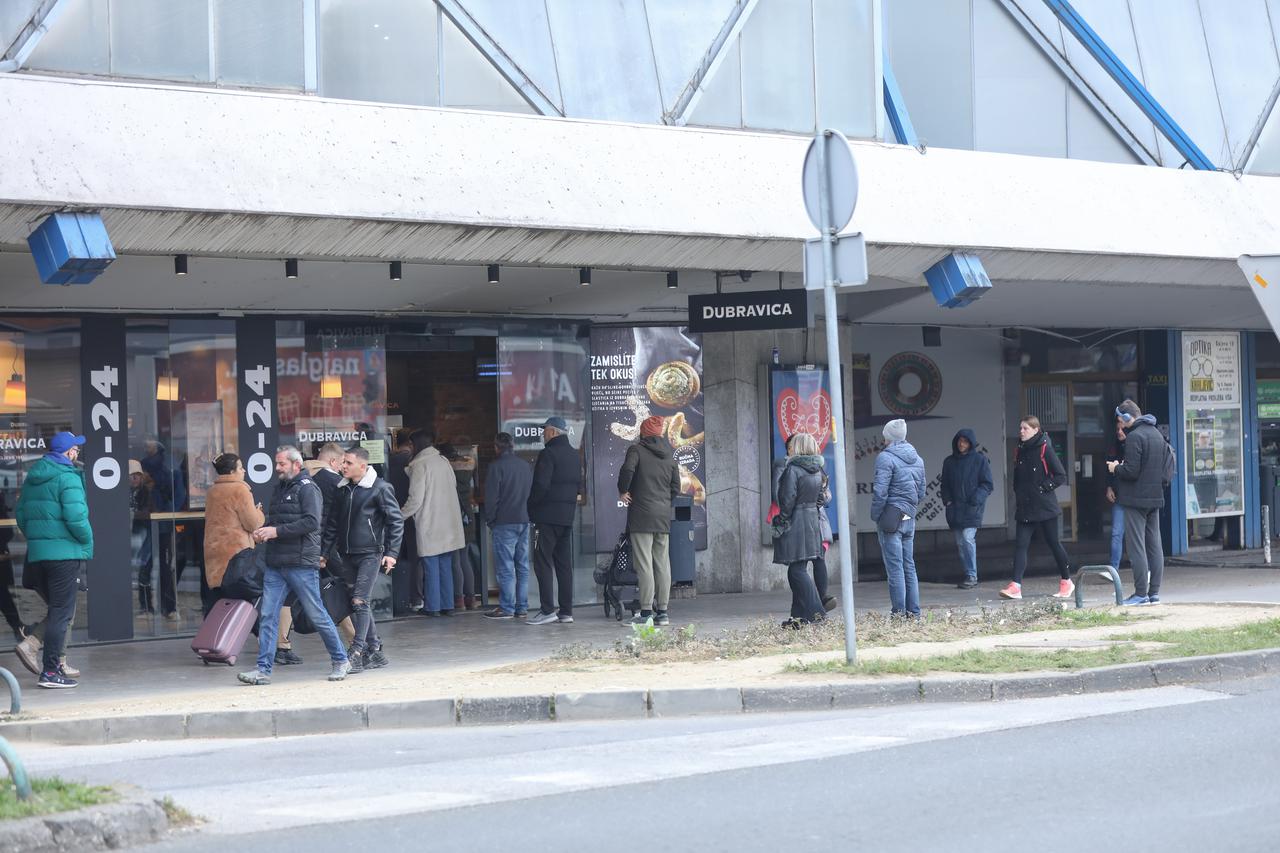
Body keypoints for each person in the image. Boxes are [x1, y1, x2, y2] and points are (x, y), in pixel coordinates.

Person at [237, 446, 350, 685]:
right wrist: (263, 531)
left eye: (281, 464)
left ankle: (341, 660)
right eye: (277, 463)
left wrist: (275, 531)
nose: (277, 468)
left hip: (300, 563)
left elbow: (311, 522)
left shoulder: (309, 489)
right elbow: (278, 521)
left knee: (317, 614)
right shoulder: (280, 489)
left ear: (296, 465)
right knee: (267, 616)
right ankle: (263, 670)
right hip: (276, 562)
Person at [14, 431, 91, 688]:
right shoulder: (68, 477)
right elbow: (77, 518)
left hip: (39, 555)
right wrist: (86, 541)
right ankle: (50, 671)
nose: (78, 452)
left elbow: (22, 516)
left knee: (59, 610)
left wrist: (38, 539)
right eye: (76, 449)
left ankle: (44, 653)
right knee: (63, 612)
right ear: (68, 452)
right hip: (64, 555)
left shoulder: (34, 476)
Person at [321, 447, 403, 672]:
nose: (343, 465)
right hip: (346, 553)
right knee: (355, 602)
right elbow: (332, 525)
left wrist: (392, 553)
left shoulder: (380, 489)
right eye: (343, 462)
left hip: (371, 553)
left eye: (348, 462)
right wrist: (324, 553)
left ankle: (357, 651)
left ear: (362, 466)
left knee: (359, 601)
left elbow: (396, 521)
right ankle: (375, 650)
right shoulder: (342, 489)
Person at [1000, 416, 1074, 600]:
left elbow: (1060, 475)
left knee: (1053, 543)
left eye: (1025, 428)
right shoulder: (1020, 450)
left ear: (1035, 429)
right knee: (1021, 545)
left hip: (1045, 506)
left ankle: (1067, 581)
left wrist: (1043, 488)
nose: (1021, 431)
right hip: (1025, 507)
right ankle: (1015, 585)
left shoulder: (1044, 448)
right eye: (1020, 428)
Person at [617, 416, 681, 626]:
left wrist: (623, 490)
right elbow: (676, 488)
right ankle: (662, 612)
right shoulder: (669, 455)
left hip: (642, 516)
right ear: (660, 433)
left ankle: (646, 614)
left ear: (644, 433)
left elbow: (627, 470)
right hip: (662, 517)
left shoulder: (636, 450)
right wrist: (664, 502)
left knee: (644, 563)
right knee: (662, 563)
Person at [1107, 400, 1167, 606]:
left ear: (1126, 418)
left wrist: (1115, 468)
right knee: (1154, 545)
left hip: (1135, 499)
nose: (1120, 426)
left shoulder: (1135, 437)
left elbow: (1131, 471)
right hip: (1155, 498)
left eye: (1120, 420)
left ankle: (1141, 593)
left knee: (1136, 547)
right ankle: (1154, 593)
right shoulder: (1157, 434)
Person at [401, 430, 465, 616]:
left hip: (430, 522)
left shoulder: (420, 465)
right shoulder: (444, 462)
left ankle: (433, 607)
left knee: (430, 565)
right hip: (448, 522)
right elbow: (453, 486)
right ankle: (447, 605)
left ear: (417, 445)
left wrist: (398, 516)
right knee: (445, 565)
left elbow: (415, 500)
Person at [771, 436, 836, 613]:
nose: (790, 449)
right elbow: (821, 498)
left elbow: (787, 499)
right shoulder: (817, 470)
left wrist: (781, 520)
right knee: (798, 568)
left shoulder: (793, 470)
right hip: (812, 521)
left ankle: (817, 612)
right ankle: (797, 618)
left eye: (792, 446)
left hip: (796, 522)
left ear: (798, 448)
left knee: (797, 571)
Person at [527, 416, 580, 626]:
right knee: (564, 564)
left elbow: (540, 485)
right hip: (566, 517)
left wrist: (530, 507)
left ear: (553, 432)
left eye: (545, 430)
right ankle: (566, 611)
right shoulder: (574, 455)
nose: (542, 434)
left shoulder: (548, 454)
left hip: (545, 518)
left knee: (542, 561)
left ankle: (547, 609)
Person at [871, 419, 926, 617]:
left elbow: (880, 492)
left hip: (891, 516)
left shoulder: (885, 458)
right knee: (909, 565)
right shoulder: (918, 459)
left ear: (888, 436)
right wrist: (908, 507)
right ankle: (914, 612)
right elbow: (921, 493)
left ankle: (898, 613)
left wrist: (876, 515)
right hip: (909, 516)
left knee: (895, 567)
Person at [201, 453, 264, 614]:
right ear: (231, 472)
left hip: (214, 551)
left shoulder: (212, 491)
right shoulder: (240, 490)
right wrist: (259, 512)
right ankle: (260, 634)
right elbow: (252, 523)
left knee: (219, 601)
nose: (244, 471)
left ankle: (216, 636)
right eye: (241, 467)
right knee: (245, 602)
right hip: (236, 554)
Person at [482, 432, 533, 619]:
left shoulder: (496, 467)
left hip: (504, 522)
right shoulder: (524, 466)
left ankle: (507, 608)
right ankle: (522, 607)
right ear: (513, 446)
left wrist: (491, 519)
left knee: (505, 567)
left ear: (497, 447)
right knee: (522, 566)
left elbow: (491, 498)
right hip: (524, 519)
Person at [940, 429, 994, 590]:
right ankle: (969, 574)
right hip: (955, 508)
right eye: (959, 441)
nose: (961, 444)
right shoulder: (949, 462)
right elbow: (945, 486)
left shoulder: (980, 460)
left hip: (972, 508)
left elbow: (987, 484)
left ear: (970, 443)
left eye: (965, 441)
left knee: (967, 538)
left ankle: (972, 575)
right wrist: (948, 501)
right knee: (960, 543)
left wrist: (976, 499)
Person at [128, 459, 154, 614]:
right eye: (132, 475)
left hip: (145, 534)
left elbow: (149, 512)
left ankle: (146, 606)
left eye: (138, 475)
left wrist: (132, 514)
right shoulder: (123, 492)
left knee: (144, 570)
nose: (135, 478)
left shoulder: (146, 492)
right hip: (132, 533)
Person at [1105, 418, 1128, 570]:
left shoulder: (1135, 445)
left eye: (1122, 429)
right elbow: (1108, 469)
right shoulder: (1114, 446)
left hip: (1134, 497)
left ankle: (1144, 569)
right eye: (1117, 429)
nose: (1119, 432)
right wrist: (1109, 487)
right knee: (1116, 533)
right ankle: (1113, 570)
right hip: (1119, 494)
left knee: (1137, 536)